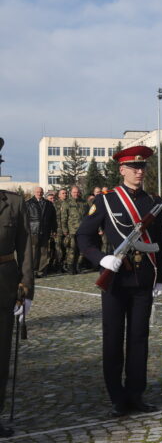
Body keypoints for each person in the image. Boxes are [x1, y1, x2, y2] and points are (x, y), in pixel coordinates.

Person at [76, 146, 162, 417]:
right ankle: (117, 396)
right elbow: (84, 236)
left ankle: (135, 393)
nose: (139, 172)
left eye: (143, 168)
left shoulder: (153, 201)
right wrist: (101, 259)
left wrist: (161, 276)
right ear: (122, 170)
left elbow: (160, 242)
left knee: (140, 338)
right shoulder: (106, 201)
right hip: (115, 279)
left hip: (143, 279)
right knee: (114, 339)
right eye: (134, 168)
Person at [0, 186, 34, 437]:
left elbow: (25, 248)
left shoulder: (14, 202)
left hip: (4, 285)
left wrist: (26, 288)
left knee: (1, 355)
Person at [25, 186, 57, 278]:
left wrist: (54, 229)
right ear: (34, 192)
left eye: (41, 192)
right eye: (37, 192)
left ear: (43, 193)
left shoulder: (48, 204)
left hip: (45, 230)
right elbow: (24, 218)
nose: (39, 193)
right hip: (33, 231)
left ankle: (41, 270)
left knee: (44, 252)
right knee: (34, 251)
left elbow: (53, 219)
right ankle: (33, 270)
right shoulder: (28, 203)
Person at [61, 185, 88, 274]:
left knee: (82, 250)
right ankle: (70, 267)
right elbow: (64, 218)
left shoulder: (84, 203)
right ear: (71, 193)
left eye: (77, 192)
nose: (76, 194)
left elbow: (88, 216)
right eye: (74, 192)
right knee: (72, 250)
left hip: (83, 231)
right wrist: (65, 230)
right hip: (72, 231)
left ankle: (78, 266)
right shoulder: (66, 203)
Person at [54, 188, 68, 273]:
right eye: (63, 193)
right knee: (58, 249)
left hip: (67, 230)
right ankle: (58, 266)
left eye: (66, 193)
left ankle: (65, 265)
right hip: (58, 229)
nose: (65, 195)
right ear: (59, 195)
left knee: (67, 248)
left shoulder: (69, 203)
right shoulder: (55, 204)